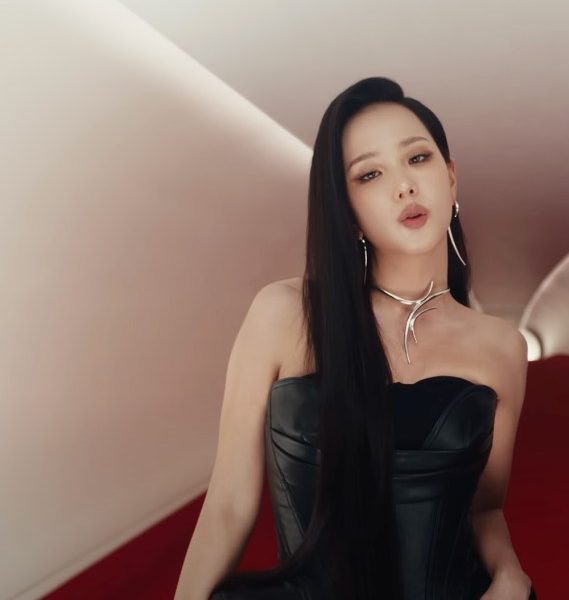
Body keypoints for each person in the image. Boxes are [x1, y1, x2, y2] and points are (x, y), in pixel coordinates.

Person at [175, 77, 533, 600]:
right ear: (348, 210)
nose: (404, 186)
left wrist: (510, 575)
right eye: (370, 174)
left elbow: (485, 508)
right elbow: (228, 505)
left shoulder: (502, 347)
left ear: (451, 178)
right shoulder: (285, 315)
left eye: (417, 159)